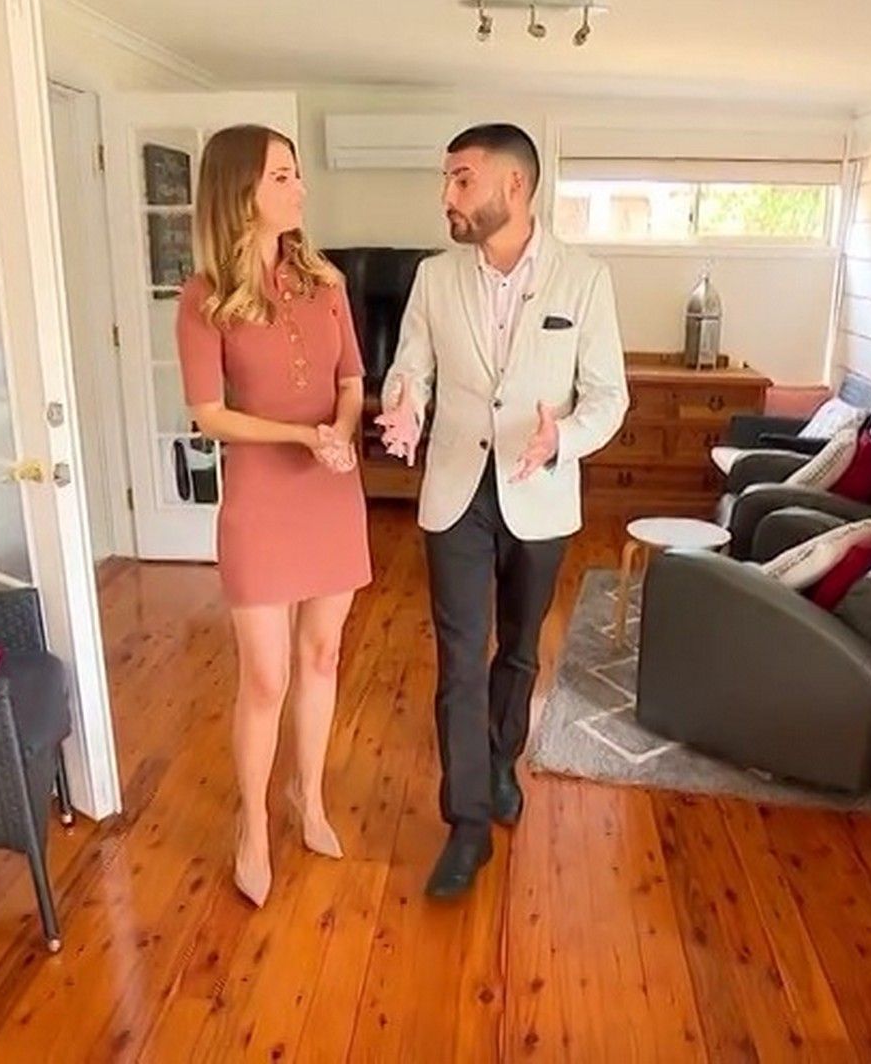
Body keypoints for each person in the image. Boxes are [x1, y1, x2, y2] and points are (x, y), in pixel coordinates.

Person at [375, 123, 627, 899]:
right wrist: (404, 404)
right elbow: (410, 367)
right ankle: (468, 826)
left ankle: (500, 762)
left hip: (538, 489)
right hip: (455, 490)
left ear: (512, 186)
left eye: (461, 179)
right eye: (447, 180)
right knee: (459, 658)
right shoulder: (434, 277)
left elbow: (609, 397)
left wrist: (563, 439)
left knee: (518, 650)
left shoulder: (585, 280)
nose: (446, 196)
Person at [176, 124, 372, 908]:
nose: (299, 188)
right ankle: (252, 824)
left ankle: (308, 798)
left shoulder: (326, 282)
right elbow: (209, 414)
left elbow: (352, 379)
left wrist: (341, 433)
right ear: (242, 191)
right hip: (260, 498)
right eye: (283, 175)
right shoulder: (203, 297)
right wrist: (299, 436)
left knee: (323, 656)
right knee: (266, 675)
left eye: (296, 174)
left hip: (331, 491)